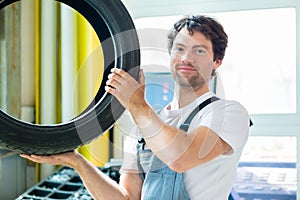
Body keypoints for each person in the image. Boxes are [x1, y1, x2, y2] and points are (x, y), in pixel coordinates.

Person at [21, 14, 250, 200]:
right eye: (179, 49)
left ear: (216, 62)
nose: (186, 58)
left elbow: (181, 158)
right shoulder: (142, 128)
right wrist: (76, 162)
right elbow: (127, 198)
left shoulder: (227, 113)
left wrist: (137, 104)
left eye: (199, 50)